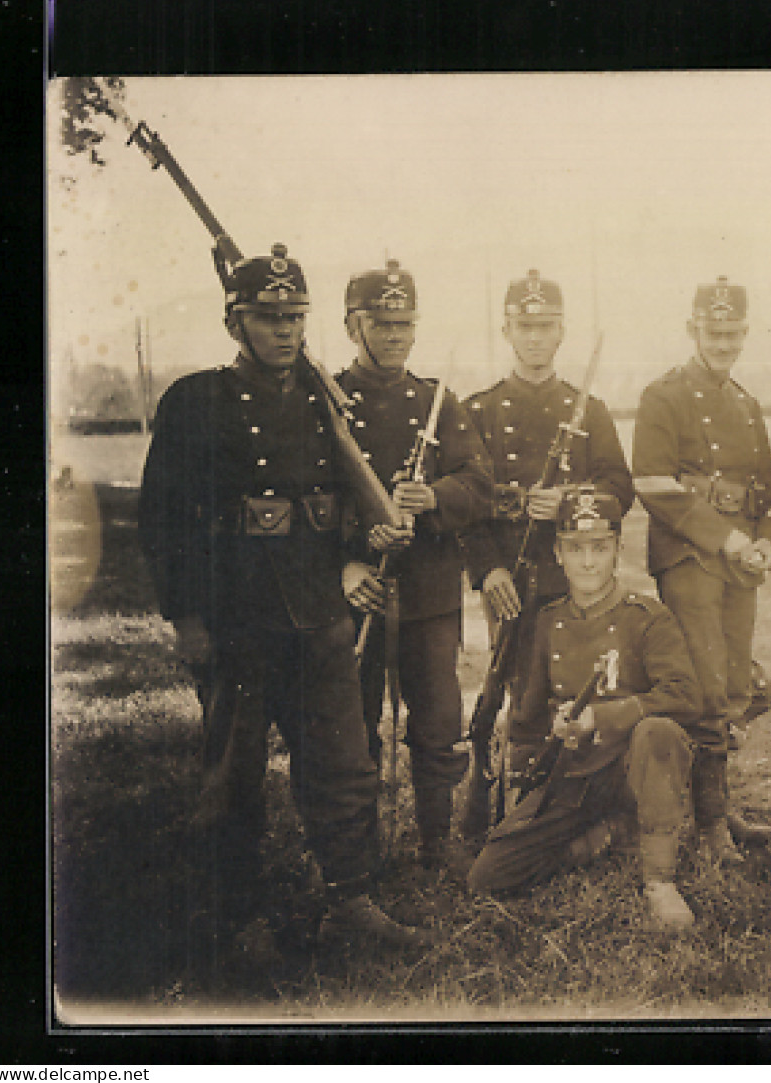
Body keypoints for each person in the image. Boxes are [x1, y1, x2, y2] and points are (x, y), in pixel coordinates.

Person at [137, 243, 423, 949]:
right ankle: (237, 914)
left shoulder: (326, 399)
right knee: (234, 773)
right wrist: (187, 617)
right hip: (237, 615)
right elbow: (162, 516)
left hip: (319, 613)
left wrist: (364, 548)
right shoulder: (195, 400)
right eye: (269, 317)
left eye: (297, 315)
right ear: (236, 322)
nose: (287, 329)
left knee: (341, 763)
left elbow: (346, 499)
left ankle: (350, 901)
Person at [466, 490, 704, 932]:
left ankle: (659, 881)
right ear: (558, 553)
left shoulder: (647, 617)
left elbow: (686, 695)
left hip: (631, 769)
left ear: (618, 549)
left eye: (600, 547)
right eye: (576, 548)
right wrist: (525, 784)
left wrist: (606, 716)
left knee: (658, 731)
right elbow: (527, 718)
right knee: (488, 876)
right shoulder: (545, 621)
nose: (588, 562)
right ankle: (607, 835)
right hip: (571, 773)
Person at [458, 269, 633, 830]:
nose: (535, 337)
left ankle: (574, 808)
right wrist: (486, 571)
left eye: (546, 327)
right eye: (525, 326)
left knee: (574, 689)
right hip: (508, 575)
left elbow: (618, 489)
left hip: (572, 578)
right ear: (507, 330)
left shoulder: (590, 411)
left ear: (561, 333)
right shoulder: (479, 410)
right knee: (516, 689)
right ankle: (503, 801)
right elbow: (467, 503)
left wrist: (568, 501)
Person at [335, 258, 492, 874]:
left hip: (428, 592)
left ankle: (434, 839)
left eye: (405, 323)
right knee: (355, 723)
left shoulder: (437, 401)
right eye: (382, 323)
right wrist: (354, 543)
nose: (396, 335)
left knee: (438, 717)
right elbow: (316, 493)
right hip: (359, 589)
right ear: (354, 325)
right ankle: (357, 848)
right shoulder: (331, 400)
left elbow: (479, 485)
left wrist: (433, 499)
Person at [631, 276, 771, 864]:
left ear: (744, 332)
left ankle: (720, 809)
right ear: (692, 328)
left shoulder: (745, 403)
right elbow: (652, 482)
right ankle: (710, 828)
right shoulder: (663, 396)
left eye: (732, 333)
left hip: (739, 562)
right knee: (705, 683)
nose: (722, 342)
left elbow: (769, 487)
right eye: (712, 331)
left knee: (736, 683)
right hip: (691, 557)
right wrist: (728, 538)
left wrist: (767, 540)